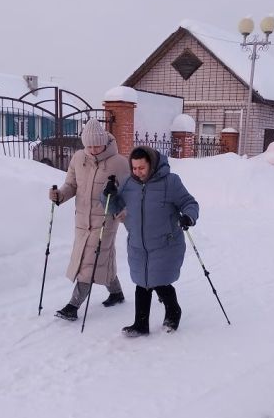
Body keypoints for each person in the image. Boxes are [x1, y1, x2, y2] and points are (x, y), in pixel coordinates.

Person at [103, 145, 199, 337]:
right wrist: (108, 194)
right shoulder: (130, 184)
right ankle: (140, 324)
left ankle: (173, 312)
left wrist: (188, 217)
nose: (137, 172)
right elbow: (113, 206)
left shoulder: (170, 182)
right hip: (138, 244)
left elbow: (190, 203)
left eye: (142, 168)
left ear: (152, 165)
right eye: (134, 168)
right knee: (142, 282)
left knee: (160, 282)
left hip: (165, 243)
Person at [48, 118, 129, 321]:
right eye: (89, 145)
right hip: (82, 220)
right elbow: (71, 185)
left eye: (97, 145)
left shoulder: (119, 162)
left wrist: (120, 202)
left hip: (106, 219)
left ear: (105, 142)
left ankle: (73, 306)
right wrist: (60, 195)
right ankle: (116, 293)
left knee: (90, 260)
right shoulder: (78, 158)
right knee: (103, 257)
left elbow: (129, 192)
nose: (93, 149)